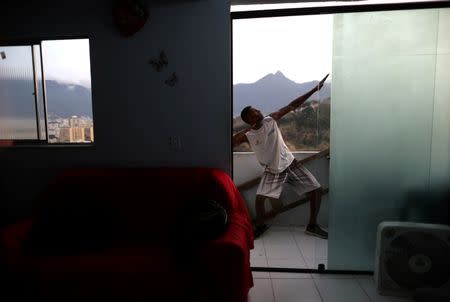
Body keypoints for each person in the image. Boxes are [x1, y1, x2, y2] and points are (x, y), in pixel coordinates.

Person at [233, 74, 329, 239]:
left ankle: (312, 225)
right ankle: (261, 226)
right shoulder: (247, 135)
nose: (258, 111)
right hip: (272, 170)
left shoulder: (271, 120)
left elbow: (292, 105)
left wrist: (315, 89)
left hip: (290, 163)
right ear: (249, 119)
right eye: (254, 112)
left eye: (257, 109)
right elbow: (230, 142)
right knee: (259, 199)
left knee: (317, 191)